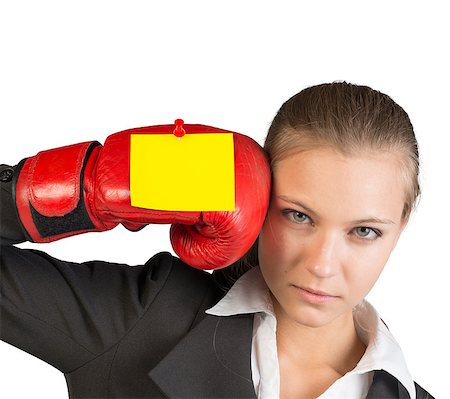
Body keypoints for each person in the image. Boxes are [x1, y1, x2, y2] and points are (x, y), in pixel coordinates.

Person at [0, 82, 434, 398]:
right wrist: (86, 184)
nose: (322, 264)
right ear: (258, 198)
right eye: (298, 216)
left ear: (401, 226)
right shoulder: (141, 320)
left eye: (364, 231)